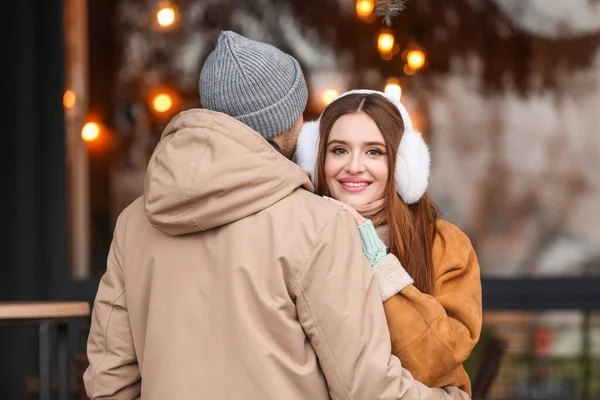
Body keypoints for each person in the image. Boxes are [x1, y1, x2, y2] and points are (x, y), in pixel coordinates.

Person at [83, 31, 470, 400]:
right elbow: (365, 387)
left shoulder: (135, 221)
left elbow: (108, 378)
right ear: (286, 121)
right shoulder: (317, 224)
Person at [296, 89, 483, 396]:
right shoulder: (294, 237)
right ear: (317, 159)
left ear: (403, 162)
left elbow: (437, 360)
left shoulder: (445, 245)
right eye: (339, 150)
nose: (354, 166)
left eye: (374, 152)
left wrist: (376, 259)